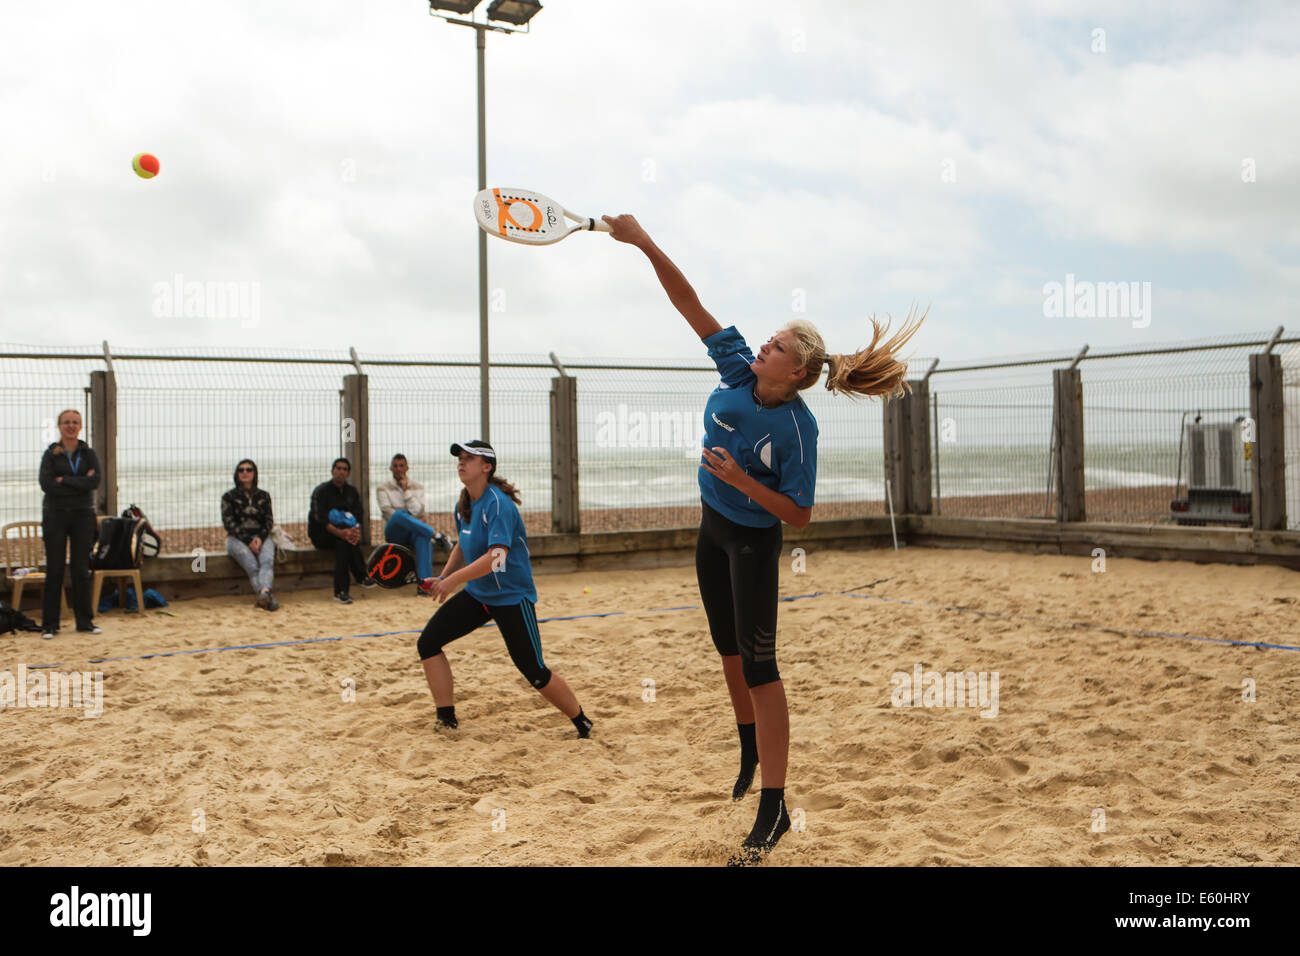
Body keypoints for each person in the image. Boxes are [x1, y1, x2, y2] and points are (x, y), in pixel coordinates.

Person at [605, 213, 925, 866]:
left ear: (798, 373)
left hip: (752, 542)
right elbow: (687, 300)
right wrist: (642, 243)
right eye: (769, 340)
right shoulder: (736, 368)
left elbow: (799, 515)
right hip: (710, 528)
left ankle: (774, 806)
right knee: (725, 651)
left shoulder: (799, 430)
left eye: (777, 347)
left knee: (761, 668)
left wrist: (740, 481)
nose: (763, 348)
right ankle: (748, 745)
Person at [418, 440, 593, 739]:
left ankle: (581, 721)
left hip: (512, 597)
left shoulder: (499, 504)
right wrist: (443, 576)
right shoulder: (464, 505)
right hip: (478, 596)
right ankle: (446, 720)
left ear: (487, 467)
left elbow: (496, 559)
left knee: (535, 671)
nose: (461, 463)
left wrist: (453, 580)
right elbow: (464, 542)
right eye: (459, 458)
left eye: (469, 459)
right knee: (428, 643)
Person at [37, 409, 102, 639]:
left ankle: (85, 622)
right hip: (55, 515)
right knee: (54, 569)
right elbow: (46, 484)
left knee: (80, 569)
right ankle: (50, 625)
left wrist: (63, 480)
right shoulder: (50, 454)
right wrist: (79, 482)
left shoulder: (88, 453)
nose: (71, 426)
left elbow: (95, 481)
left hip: (83, 515)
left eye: (75, 422)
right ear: (59, 426)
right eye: (66, 422)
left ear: (81, 426)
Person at [376, 453, 452, 596]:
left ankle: (424, 585)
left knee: (423, 538)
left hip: (413, 532)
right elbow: (388, 513)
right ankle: (437, 535)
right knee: (398, 515)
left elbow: (419, 510)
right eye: (396, 466)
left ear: (407, 468)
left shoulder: (417, 487)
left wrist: (406, 492)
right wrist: (412, 519)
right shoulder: (382, 488)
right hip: (394, 532)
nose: (399, 469)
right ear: (390, 468)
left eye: (401, 465)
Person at [308, 458, 372, 604]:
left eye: (344, 469)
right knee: (343, 541)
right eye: (338, 468)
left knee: (345, 543)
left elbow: (358, 515)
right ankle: (357, 578)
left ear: (348, 473)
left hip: (344, 536)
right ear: (332, 471)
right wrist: (341, 533)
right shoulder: (321, 491)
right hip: (322, 534)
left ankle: (344, 590)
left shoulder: (351, 492)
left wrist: (354, 532)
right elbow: (320, 519)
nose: (341, 472)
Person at [222, 459, 278, 610]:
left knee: (267, 562)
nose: (245, 473)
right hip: (237, 539)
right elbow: (229, 524)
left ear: (254, 473)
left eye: (249, 470)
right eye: (241, 470)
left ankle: (265, 594)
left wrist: (259, 538)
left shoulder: (264, 496)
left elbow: (268, 521)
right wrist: (248, 541)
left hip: (262, 536)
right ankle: (266, 597)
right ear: (236, 474)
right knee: (252, 566)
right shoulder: (229, 497)